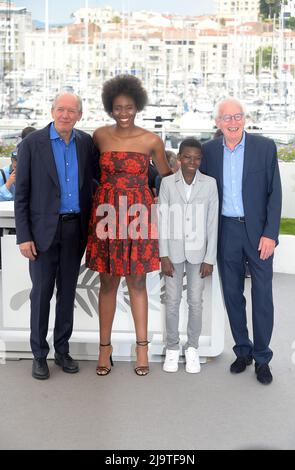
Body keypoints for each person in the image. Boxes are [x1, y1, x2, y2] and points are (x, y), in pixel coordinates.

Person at [86, 74, 171, 376]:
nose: (124, 113)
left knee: (136, 282)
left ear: (138, 107)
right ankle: (104, 350)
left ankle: (142, 349)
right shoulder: (99, 136)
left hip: (138, 214)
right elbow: (89, 173)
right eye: (118, 108)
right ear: (110, 107)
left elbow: (167, 177)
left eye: (129, 107)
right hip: (107, 214)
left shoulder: (151, 140)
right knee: (108, 282)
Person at [15, 92, 99, 380]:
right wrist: (23, 236)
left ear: (79, 115)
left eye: (71, 110)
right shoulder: (31, 144)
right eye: (61, 109)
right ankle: (39, 355)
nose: (65, 115)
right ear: (52, 111)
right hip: (41, 234)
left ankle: (62, 351)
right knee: (41, 295)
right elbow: (21, 194)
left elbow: (96, 180)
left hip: (75, 229)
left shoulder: (86, 143)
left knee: (67, 294)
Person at [201, 98, 282, 385]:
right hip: (226, 232)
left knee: (262, 295)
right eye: (227, 118)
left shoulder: (265, 147)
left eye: (238, 116)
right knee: (232, 294)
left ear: (244, 119)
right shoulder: (208, 151)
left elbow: (275, 194)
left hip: (259, 233)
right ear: (218, 123)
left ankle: (262, 357)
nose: (233, 122)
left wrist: (271, 233)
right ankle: (242, 350)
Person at [159, 138, 218, 373]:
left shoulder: (210, 184)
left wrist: (209, 258)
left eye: (197, 158)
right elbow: (162, 221)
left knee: (195, 301)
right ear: (180, 157)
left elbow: (212, 223)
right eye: (187, 157)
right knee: (172, 302)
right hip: (172, 252)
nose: (192, 161)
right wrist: (163, 255)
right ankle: (172, 348)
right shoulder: (167, 184)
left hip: (199, 252)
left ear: (200, 160)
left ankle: (192, 347)